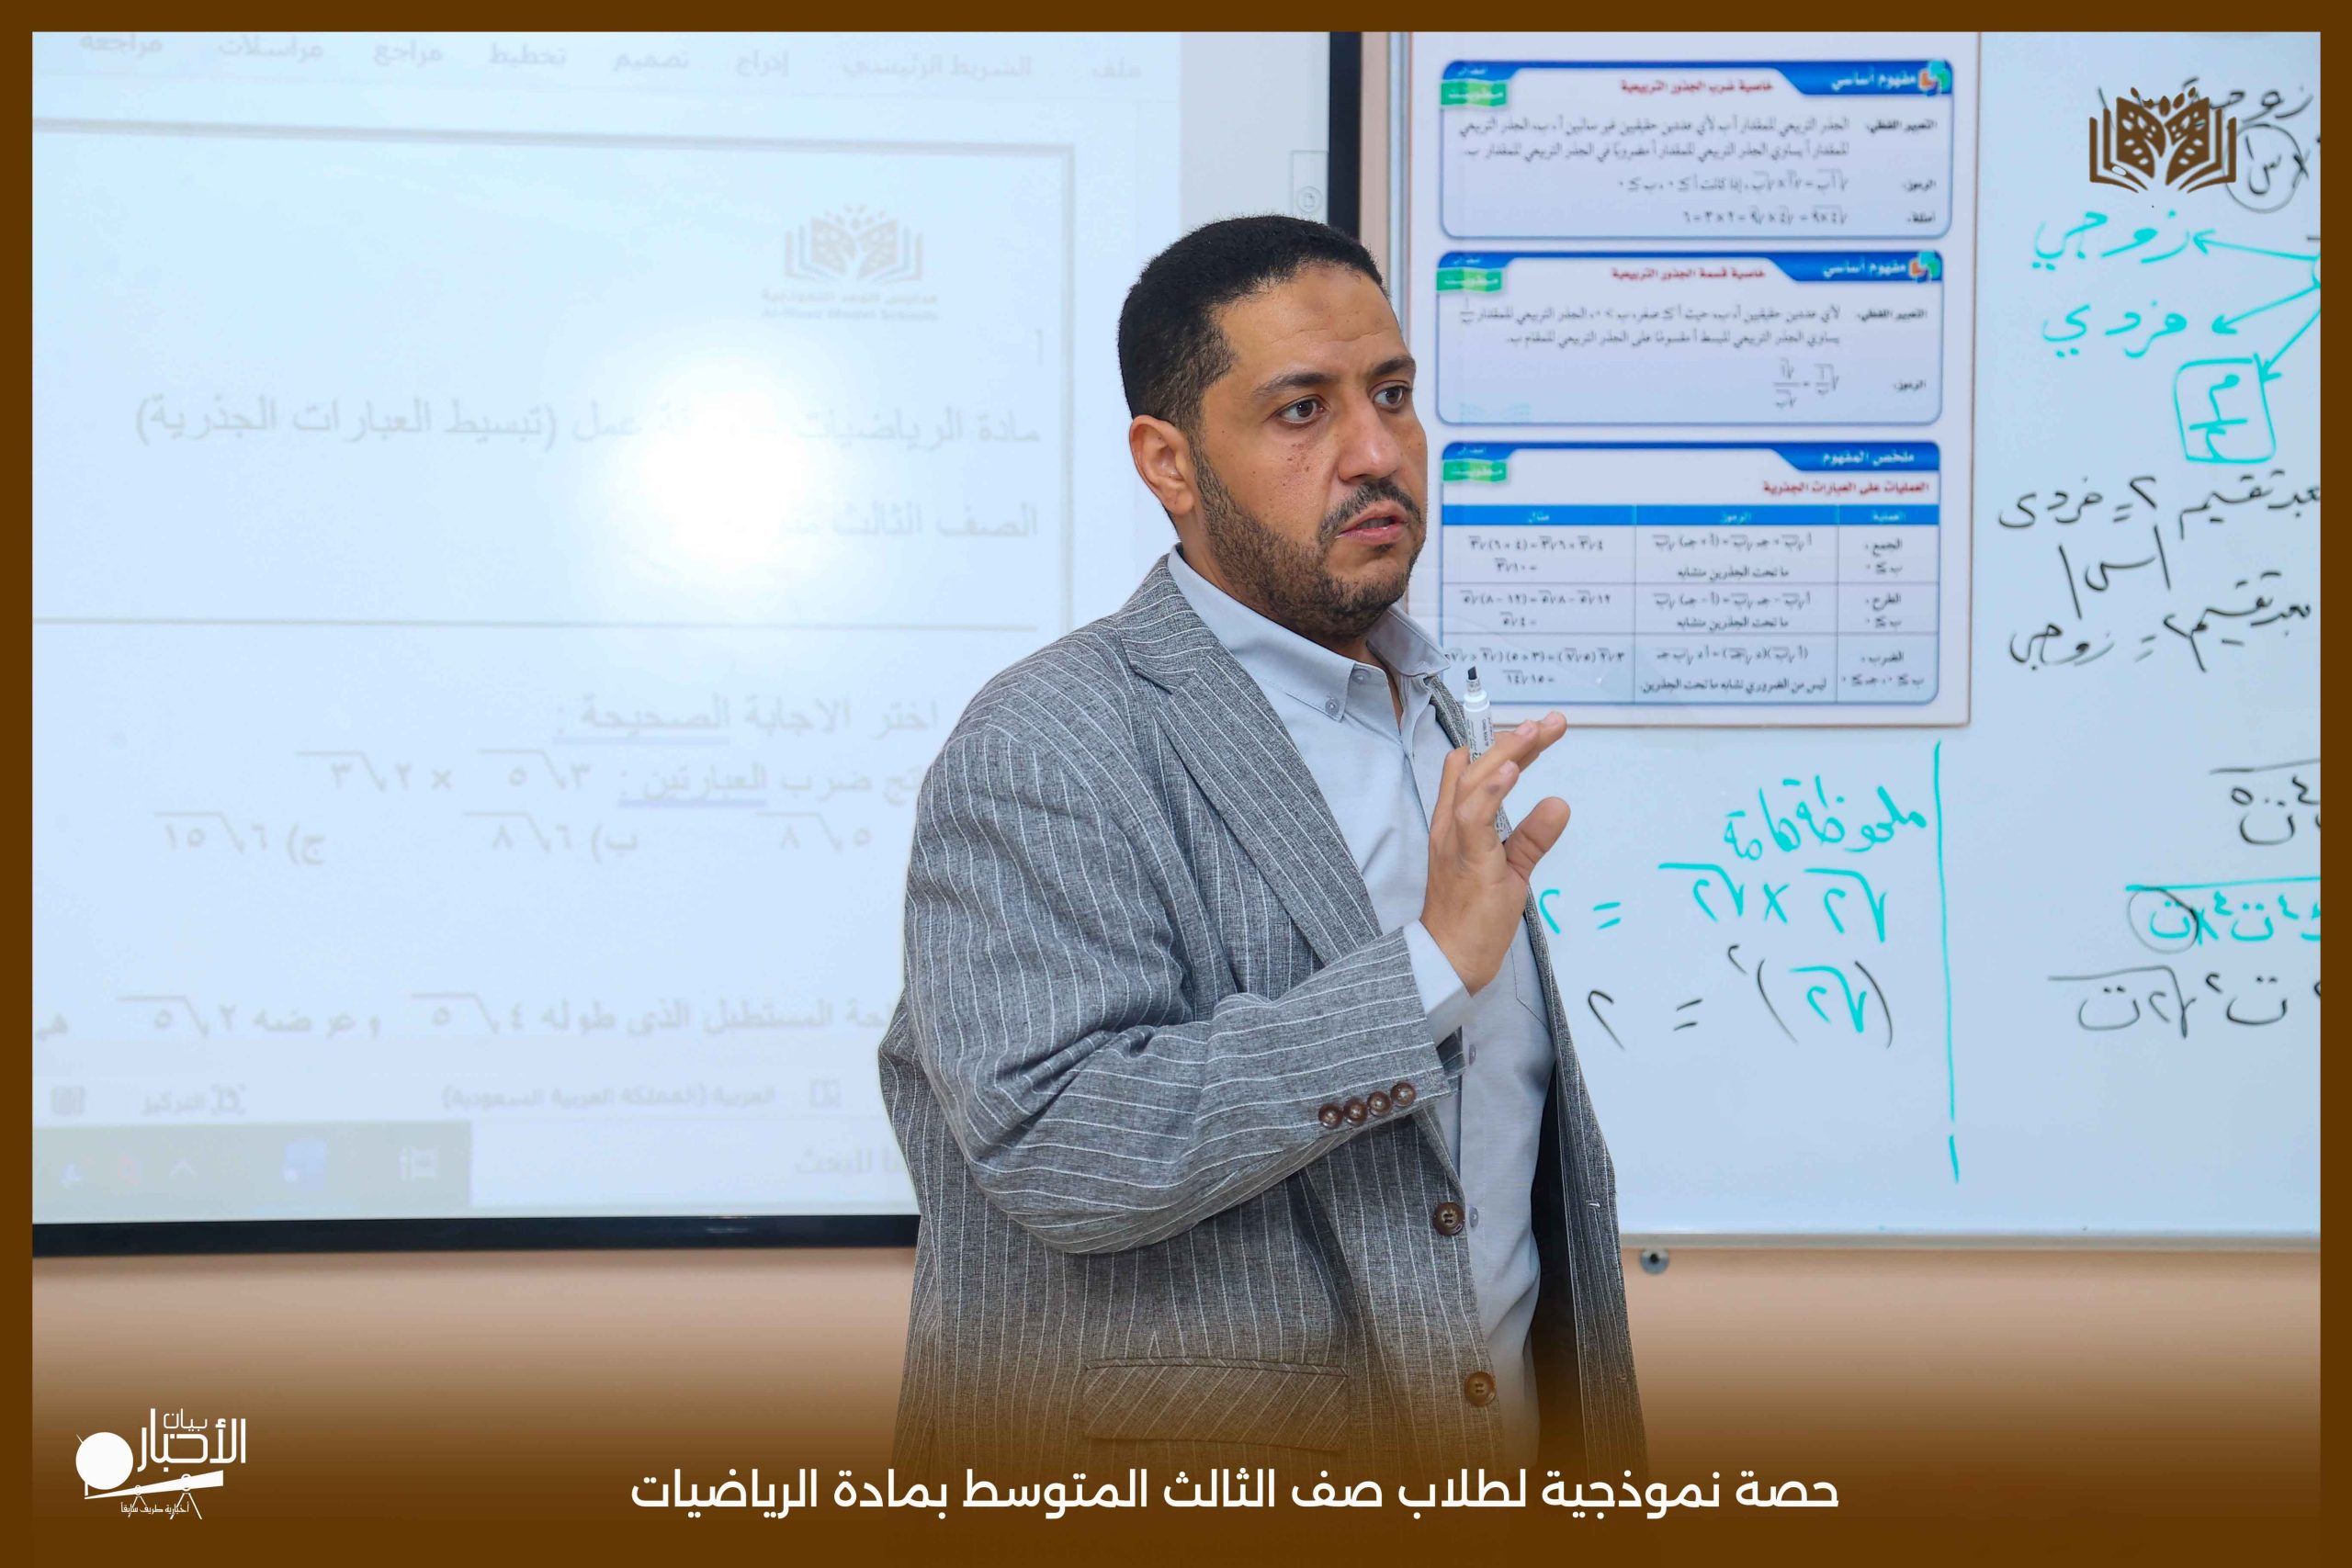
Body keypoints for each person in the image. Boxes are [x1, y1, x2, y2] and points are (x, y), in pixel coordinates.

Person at [876, 214, 1644, 1483]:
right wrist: (1427, 972)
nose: (1377, 452)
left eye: (1392, 394)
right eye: (1302, 411)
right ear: (1169, 463)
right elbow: (1061, 1143)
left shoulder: (1438, 713)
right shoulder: (1051, 740)